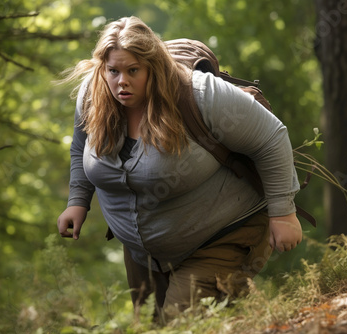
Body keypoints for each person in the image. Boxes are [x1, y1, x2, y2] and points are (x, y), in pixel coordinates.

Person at [57, 16, 302, 319]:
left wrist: (284, 213)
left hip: (221, 234)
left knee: (180, 324)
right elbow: (81, 147)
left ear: (153, 67)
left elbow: (271, 136)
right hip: (143, 254)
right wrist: (78, 201)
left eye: (133, 70)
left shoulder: (199, 95)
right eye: (113, 71)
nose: (122, 81)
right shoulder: (94, 94)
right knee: (148, 324)